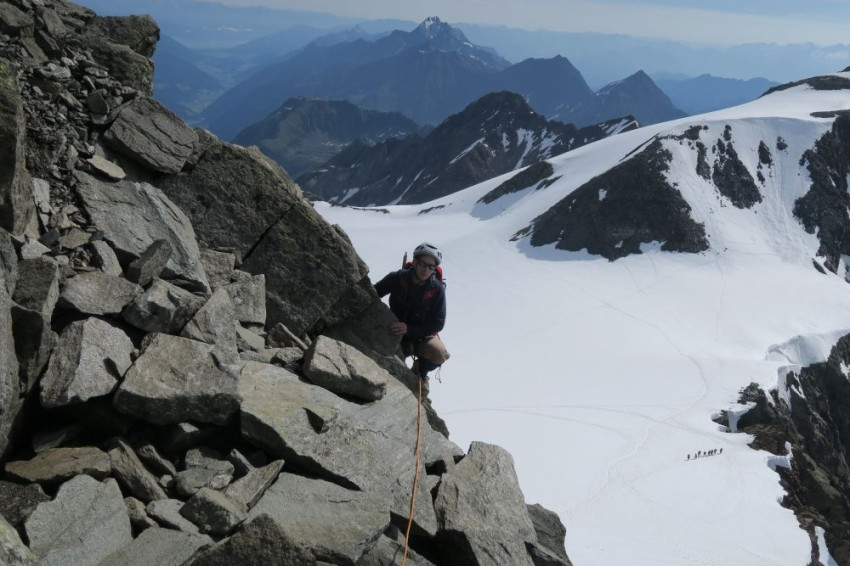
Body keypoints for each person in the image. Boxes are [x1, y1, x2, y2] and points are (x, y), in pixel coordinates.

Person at [374, 242, 450, 395]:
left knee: (439, 353)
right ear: (415, 262)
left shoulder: (437, 289)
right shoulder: (398, 278)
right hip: (395, 330)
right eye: (423, 264)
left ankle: (420, 372)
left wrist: (409, 329)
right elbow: (375, 292)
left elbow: (438, 323)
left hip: (421, 335)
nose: (426, 269)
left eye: (431, 266)